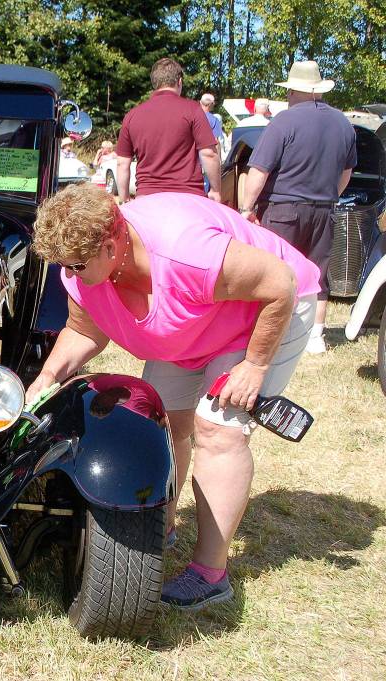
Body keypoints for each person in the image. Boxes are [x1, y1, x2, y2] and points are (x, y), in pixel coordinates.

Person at [27, 183, 320, 611]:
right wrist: (48, 376)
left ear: (111, 246)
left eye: (75, 266)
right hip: (193, 325)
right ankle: (160, 523)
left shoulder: (185, 252)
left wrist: (255, 365)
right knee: (162, 425)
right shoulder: (85, 262)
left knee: (217, 432)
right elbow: (84, 331)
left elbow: (280, 283)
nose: (68, 275)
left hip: (262, 314)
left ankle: (210, 573)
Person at [238, 61, 356, 354]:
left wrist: (246, 208)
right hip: (325, 207)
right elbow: (346, 171)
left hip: (283, 207)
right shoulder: (343, 123)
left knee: (276, 271)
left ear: (292, 90)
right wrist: (330, 195)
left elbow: (260, 170)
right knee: (318, 270)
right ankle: (315, 335)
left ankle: (274, 331)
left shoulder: (283, 122)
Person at [116, 58, 221, 204]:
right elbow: (209, 154)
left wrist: (124, 199)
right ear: (179, 82)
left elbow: (122, 163)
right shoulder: (193, 110)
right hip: (188, 199)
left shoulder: (132, 116)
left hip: (147, 200)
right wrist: (216, 190)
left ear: (154, 83)